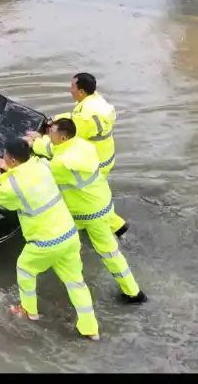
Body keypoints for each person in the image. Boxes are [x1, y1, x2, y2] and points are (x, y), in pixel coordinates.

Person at [0, 138, 100, 340]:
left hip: (45, 242)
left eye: (6, 156)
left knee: (25, 269)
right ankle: (90, 328)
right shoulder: (41, 164)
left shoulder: (13, 185)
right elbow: (27, 184)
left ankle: (28, 311)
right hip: (68, 234)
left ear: (13, 160)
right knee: (76, 282)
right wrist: (5, 174)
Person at [27, 118, 146, 304]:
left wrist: (23, 160)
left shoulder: (62, 164)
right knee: (74, 242)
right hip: (102, 203)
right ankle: (130, 291)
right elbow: (54, 149)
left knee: (108, 252)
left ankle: (133, 292)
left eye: (52, 133)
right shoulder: (81, 145)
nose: (49, 135)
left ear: (63, 137)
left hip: (88, 213)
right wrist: (36, 142)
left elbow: (43, 172)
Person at [51, 72, 128, 236]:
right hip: (105, 158)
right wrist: (57, 118)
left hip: (95, 162)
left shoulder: (86, 117)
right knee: (95, 196)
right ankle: (118, 226)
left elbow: (68, 136)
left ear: (82, 91)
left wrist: (43, 137)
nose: (70, 89)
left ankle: (87, 227)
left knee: (85, 197)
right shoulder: (95, 101)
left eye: (72, 86)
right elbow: (74, 118)